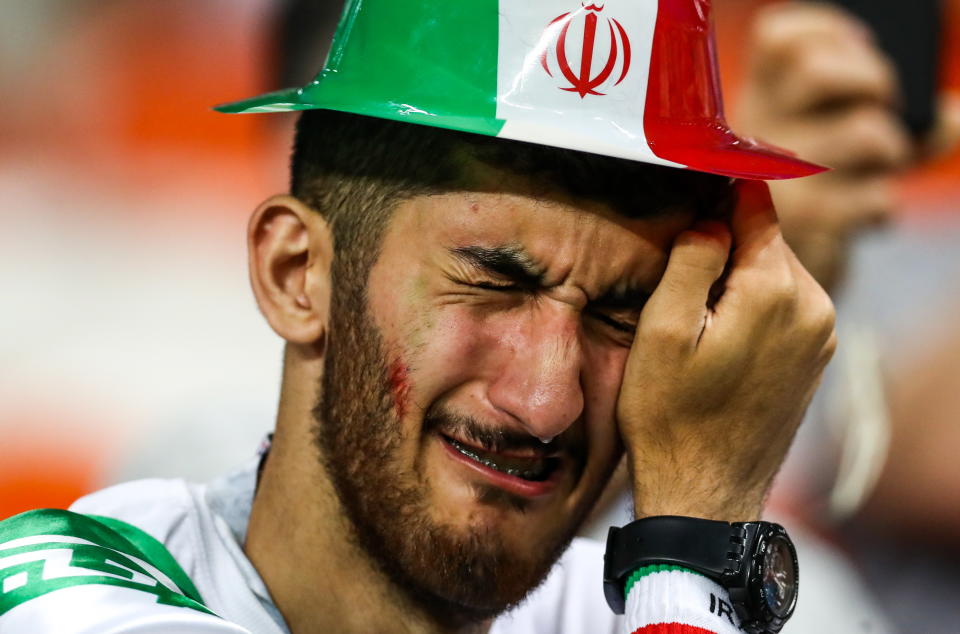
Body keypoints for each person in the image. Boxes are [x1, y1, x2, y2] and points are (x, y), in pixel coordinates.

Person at [0, 2, 836, 633]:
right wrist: (694, 543)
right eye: (493, 283)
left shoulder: (642, 603)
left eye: (622, 314)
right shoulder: (69, 596)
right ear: (297, 275)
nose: (549, 400)